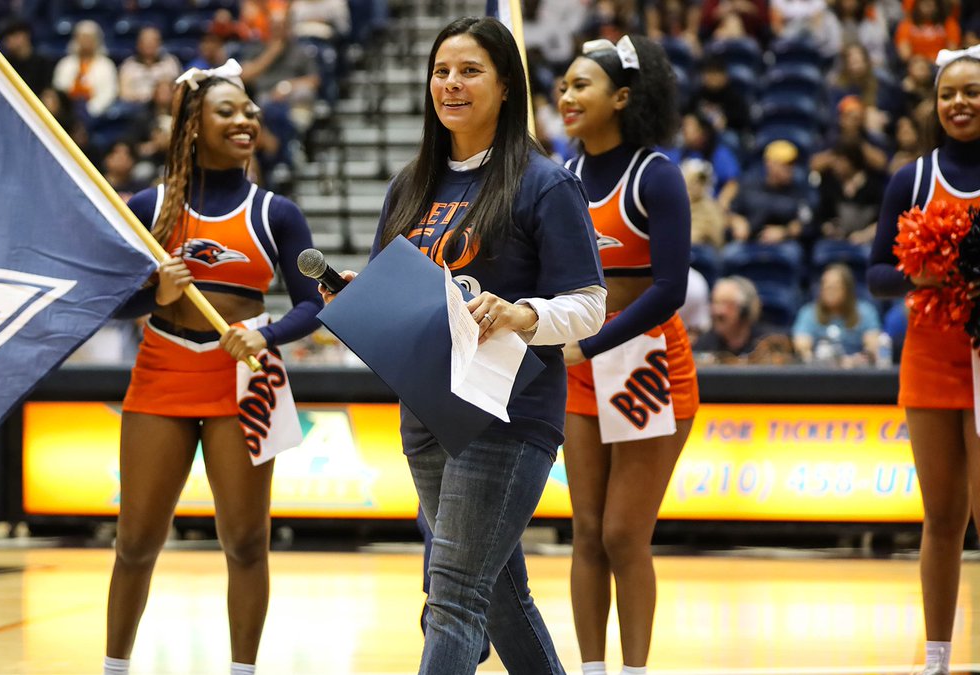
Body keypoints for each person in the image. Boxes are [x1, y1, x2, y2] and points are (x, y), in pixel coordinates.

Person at [322, 17, 607, 674]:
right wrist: (358, 301)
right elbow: (399, 296)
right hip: (427, 413)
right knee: (498, 597)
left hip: (508, 415)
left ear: (507, 86)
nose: (450, 83)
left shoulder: (545, 183)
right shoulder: (410, 186)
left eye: (470, 70)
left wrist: (521, 314)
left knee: (450, 594)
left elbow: (590, 305)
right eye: (442, 71)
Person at [103, 61, 323, 675]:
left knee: (247, 543)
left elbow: (318, 301)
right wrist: (157, 297)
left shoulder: (278, 213)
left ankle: (242, 670)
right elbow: (109, 301)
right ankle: (114, 667)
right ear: (193, 127)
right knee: (136, 541)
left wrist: (265, 332)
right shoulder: (149, 208)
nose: (245, 119)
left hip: (246, 378)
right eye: (227, 111)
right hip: (162, 371)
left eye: (249, 110)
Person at [557, 35, 696, 675]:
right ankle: (590, 669)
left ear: (621, 97)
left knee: (622, 535)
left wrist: (589, 344)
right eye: (562, 85)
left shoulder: (656, 174)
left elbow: (669, 290)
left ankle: (634, 670)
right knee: (585, 533)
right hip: (581, 366)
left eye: (581, 85)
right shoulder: (564, 177)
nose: (566, 95)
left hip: (646, 364)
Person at [866, 46, 980, 675]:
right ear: (935, 103)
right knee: (941, 517)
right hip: (931, 359)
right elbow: (877, 274)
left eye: (972, 92)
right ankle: (936, 658)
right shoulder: (913, 178)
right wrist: (924, 274)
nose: (959, 103)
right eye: (949, 93)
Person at [792, 263, 880, 366]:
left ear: (847, 289)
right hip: (819, 372)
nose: (829, 291)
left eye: (835, 287)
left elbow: (873, 347)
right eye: (826, 286)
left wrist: (855, 360)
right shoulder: (808, 313)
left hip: (856, 372)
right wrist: (815, 359)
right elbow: (802, 347)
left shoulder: (866, 311)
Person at [693, 275, 794, 363]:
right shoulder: (703, 345)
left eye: (726, 304)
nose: (717, 311)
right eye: (715, 303)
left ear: (744, 310)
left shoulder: (770, 343)